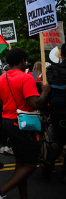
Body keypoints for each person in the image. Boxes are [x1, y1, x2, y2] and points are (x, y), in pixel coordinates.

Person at [0, 48, 50, 199]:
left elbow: (1, 100)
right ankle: (0, 192)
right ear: (23, 61)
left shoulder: (1, 79)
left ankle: (24, 196)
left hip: (8, 122)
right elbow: (35, 103)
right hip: (24, 124)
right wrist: (45, 92)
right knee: (30, 164)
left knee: (20, 162)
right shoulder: (26, 78)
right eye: (25, 61)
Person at [42, 43, 66, 182]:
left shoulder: (52, 70)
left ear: (60, 54)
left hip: (56, 112)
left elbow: (47, 92)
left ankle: (49, 162)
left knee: (58, 138)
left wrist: (44, 113)